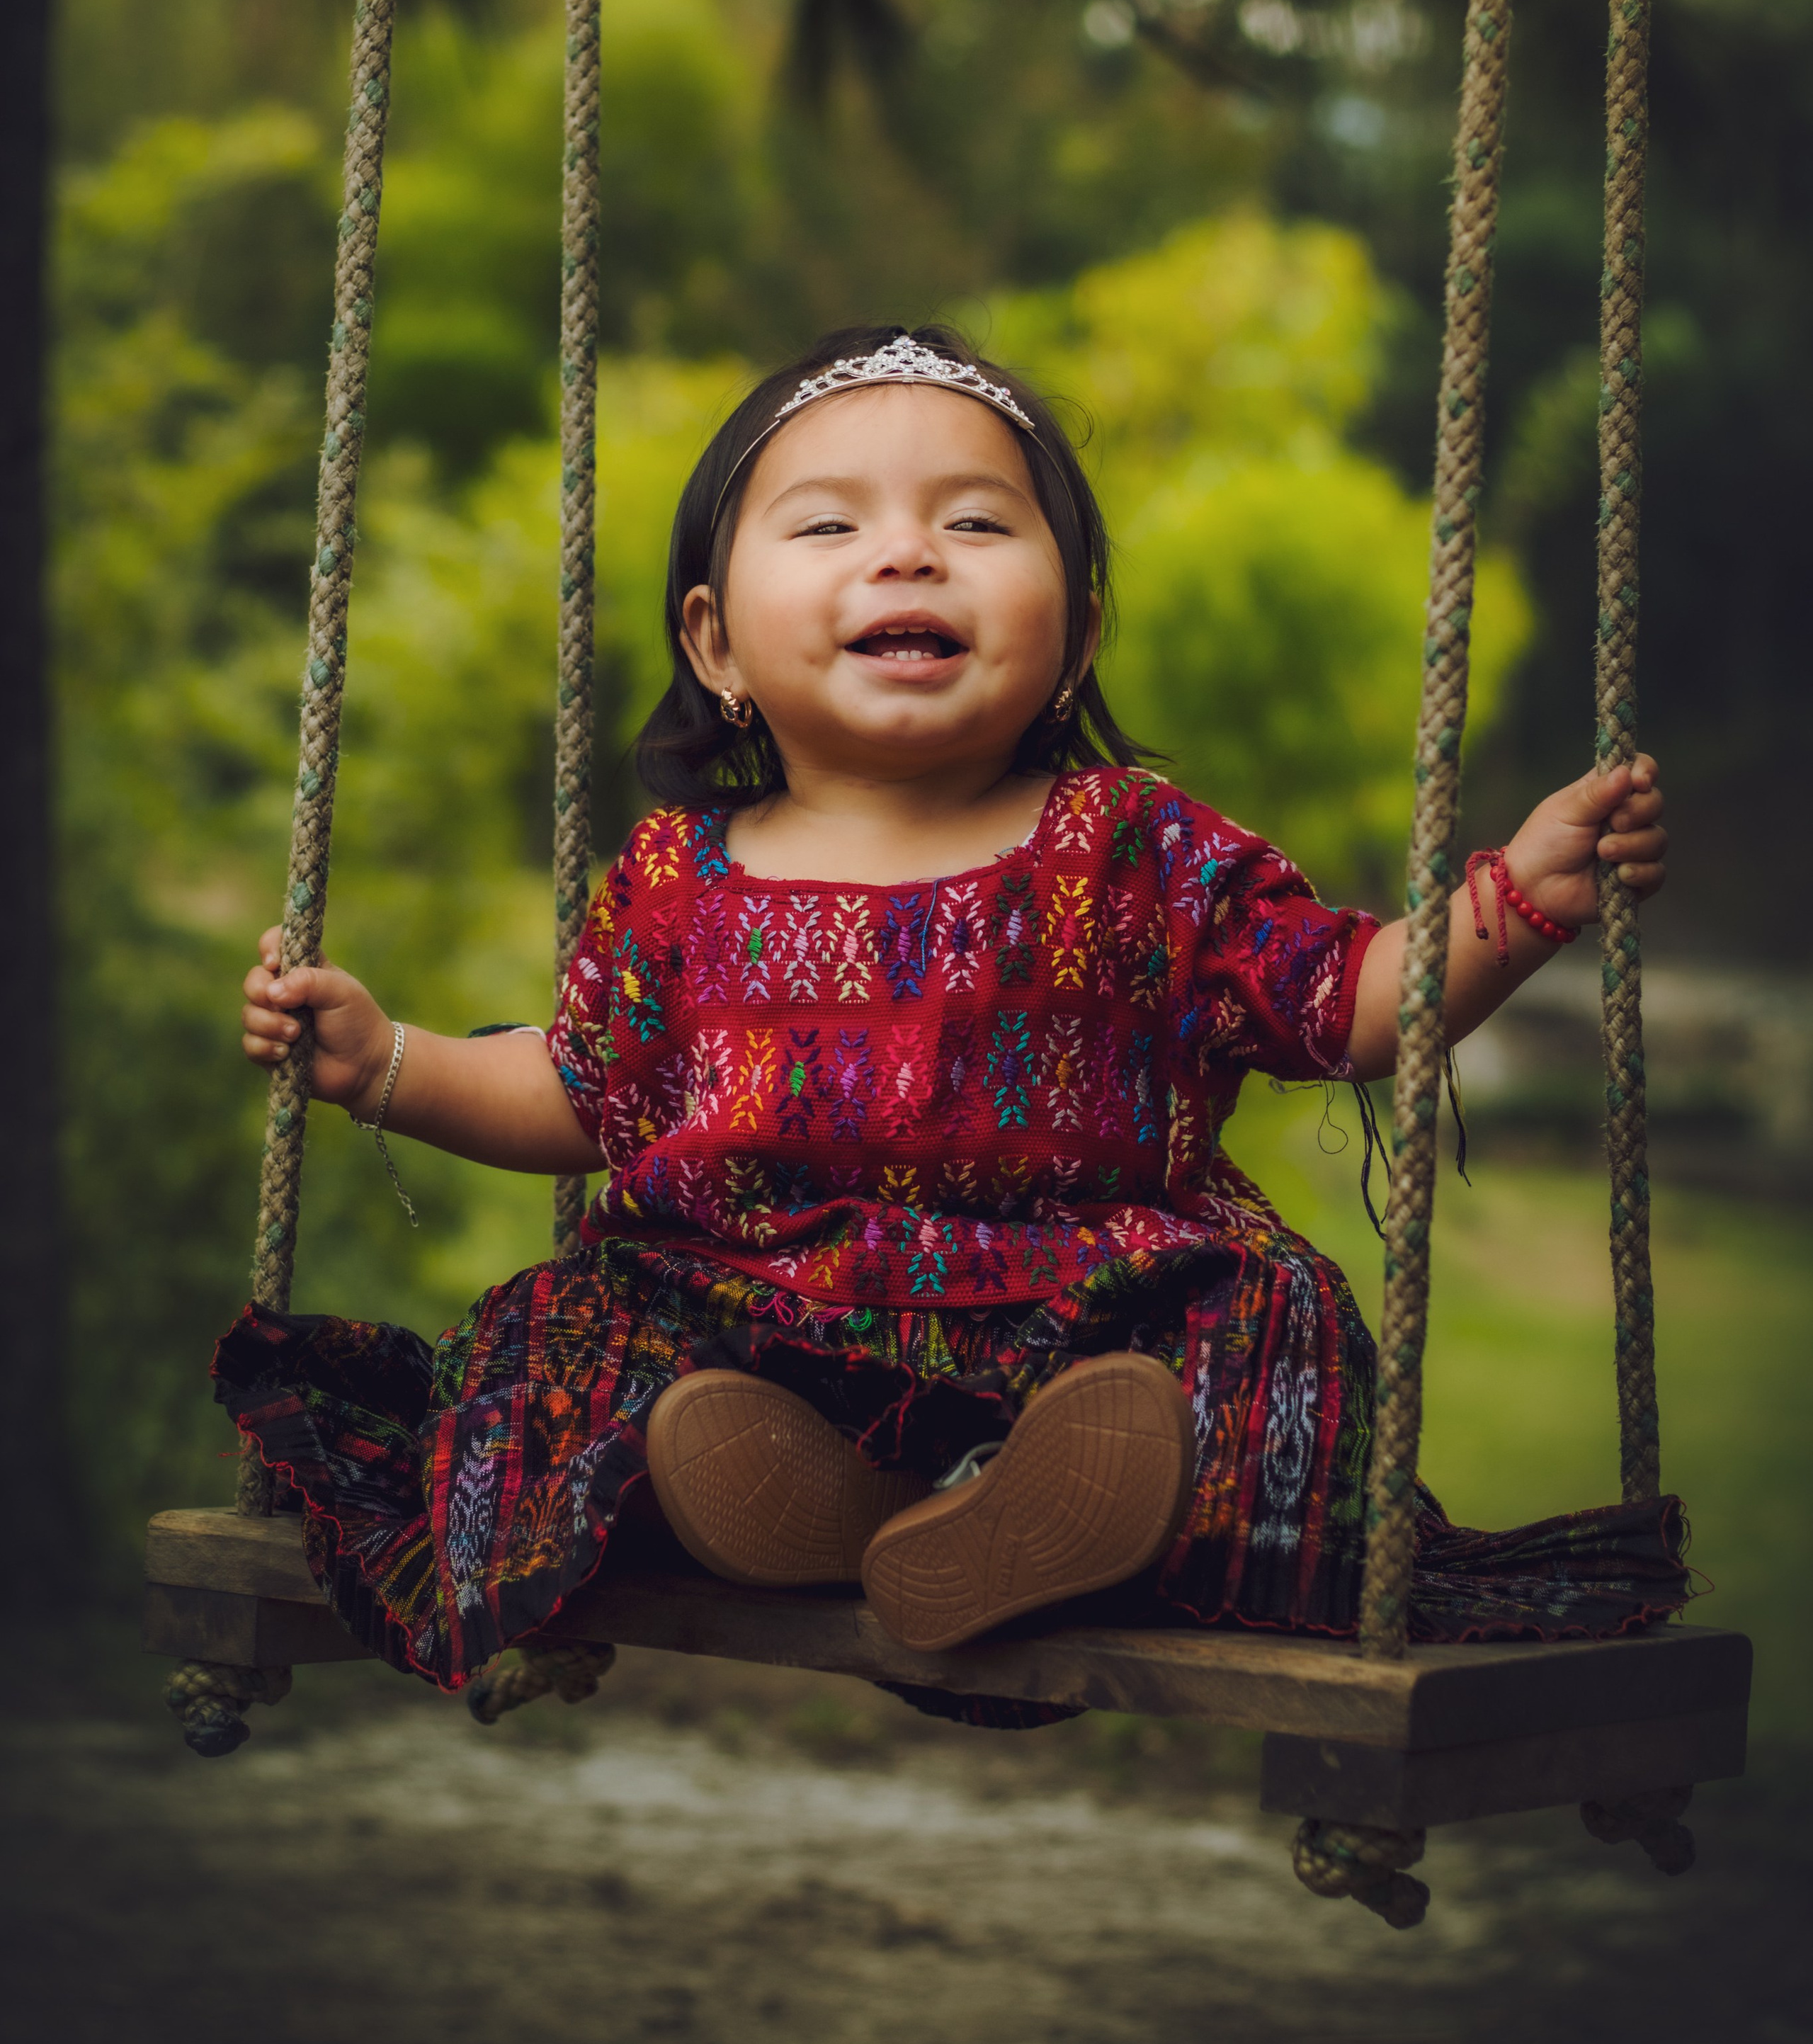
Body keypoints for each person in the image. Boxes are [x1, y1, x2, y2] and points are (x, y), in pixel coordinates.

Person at [222, 323, 1688, 1717]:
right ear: (717, 642)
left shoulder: (1132, 847)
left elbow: (1351, 1003)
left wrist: (1518, 898)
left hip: (1087, 1322)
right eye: (825, 526)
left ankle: (1015, 1513)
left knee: (1269, 1324)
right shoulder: (676, 880)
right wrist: (388, 1065)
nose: (908, 550)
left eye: (977, 524)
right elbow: (579, 1093)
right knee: (562, 1342)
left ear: (1078, 626)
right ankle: (830, 1511)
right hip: (761, 1322)